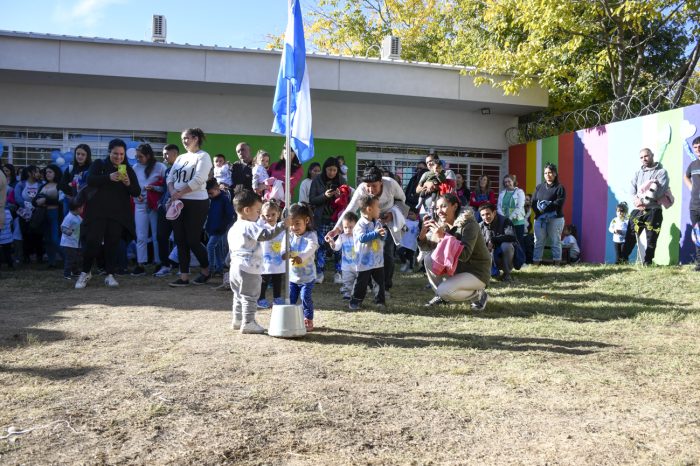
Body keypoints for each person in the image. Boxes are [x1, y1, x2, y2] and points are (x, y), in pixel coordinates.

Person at [326, 162, 408, 291]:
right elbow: (351, 209)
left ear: (381, 182)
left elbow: (402, 200)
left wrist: (392, 214)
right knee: (367, 252)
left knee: (386, 252)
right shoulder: (362, 189)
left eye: (374, 186)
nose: (370, 189)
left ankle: (384, 286)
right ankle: (369, 284)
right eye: (368, 186)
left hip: (388, 219)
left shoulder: (390, 184)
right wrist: (336, 229)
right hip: (369, 221)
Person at [75, 138, 140, 289]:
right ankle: (85, 273)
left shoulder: (127, 169)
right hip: (97, 212)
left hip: (117, 214)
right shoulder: (99, 164)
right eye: (115, 153)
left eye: (122, 154)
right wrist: (108, 177)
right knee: (92, 242)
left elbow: (136, 192)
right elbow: (90, 180)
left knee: (112, 244)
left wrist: (128, 183)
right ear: (109, 152)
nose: (118, 157)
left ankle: (110, 274)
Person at [227, 187, 288, 334]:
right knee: (250, 296)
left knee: (238, 295)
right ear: (247, 210)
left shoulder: (234, 227)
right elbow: (265, 235)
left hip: (235, 267)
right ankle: (248, 323)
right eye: (257, 211)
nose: (259, 215)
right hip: (249, 267)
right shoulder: (249, 225)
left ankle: (237, 319)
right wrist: (282, 225)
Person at [419, 193, 491, 309]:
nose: (439, 211)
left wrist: (444, 236)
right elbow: (428, 247)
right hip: (457, 269)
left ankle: (478, 294)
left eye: (443, 206)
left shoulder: (469, 224)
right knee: (429, 258)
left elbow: (465, 255)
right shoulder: (443, 225)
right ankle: (441, 296)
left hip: (476, 272)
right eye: (437, 208)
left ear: (455, 206)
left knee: (444, 291)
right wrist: (422, 234)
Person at [167, 128, 213, 287]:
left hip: (197, 202)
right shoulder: (181, 157)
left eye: (187, 138)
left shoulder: (204, 156)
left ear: (196, 138)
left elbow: (199, 179)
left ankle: (207, 270)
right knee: (180, 240)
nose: (184, 141)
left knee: (192, 240)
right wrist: (173, 192)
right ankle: (184, 276)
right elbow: (170, 177)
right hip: (178, 201)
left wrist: (179, 193)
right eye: (182, 139)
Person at [620, 148, 670, 266]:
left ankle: (648, 262)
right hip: (638, 211)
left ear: (652, 155)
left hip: (654, 211)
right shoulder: (638, 173)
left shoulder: (661, 172)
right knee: (630, 236)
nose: (644, 159)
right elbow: (632, 189)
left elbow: (660, 192)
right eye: (641, 157)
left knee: (651, 238)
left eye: (646, 156)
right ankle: (622, 260)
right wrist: (636, 200)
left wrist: (643, 201)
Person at [132, 143, 167, 276]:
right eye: (136, 156)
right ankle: (140, 264)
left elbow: (166, 187)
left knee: (156, 235)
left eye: (140, 156)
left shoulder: (160, 167)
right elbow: (132, 186)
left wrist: (155, 189)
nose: (138, 159)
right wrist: (136, 194)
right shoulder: (135, 167)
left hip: (155, 206)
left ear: (148, 155)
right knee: (140, 236)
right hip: (140, 205)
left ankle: (158, 263)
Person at [309, 156, 346, 284]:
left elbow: (347, 199)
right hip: (322, 219)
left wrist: (340, 196)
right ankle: (320, 273)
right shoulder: (317, 180)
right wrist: (324, 196)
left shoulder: (342, 180)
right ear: (325, 169)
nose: (332, 173)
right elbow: (312, 200)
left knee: (338, 247)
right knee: (321, 246)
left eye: (334, 170)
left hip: (337, 219)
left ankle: (338, 273)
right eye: (329, 170)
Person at [284, 203, 319, 331]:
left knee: (305, 297)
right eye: (291, 224)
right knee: (291, 298)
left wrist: (301, 256)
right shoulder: (290, 235)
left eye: (297, 223)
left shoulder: (311, 236)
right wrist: (284, 252)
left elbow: (311, 248)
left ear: (307, 221)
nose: (294, 227)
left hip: (307, 277)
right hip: (293, 277)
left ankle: (308, 319)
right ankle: (292, 318)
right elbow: (285, 246)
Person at [349, 195, 387, 310]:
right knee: (362, 282)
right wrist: (375, 233)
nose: (380, 209)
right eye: (378, 207)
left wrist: (383, 235)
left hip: (377, 260)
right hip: (364, 260)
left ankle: (380, 301)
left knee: (379, 282)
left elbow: (383, 236)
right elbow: (362, 238)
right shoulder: (360, 224)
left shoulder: (378, 223)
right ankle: (355, 301)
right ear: (369, 209)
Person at [531, 163, 566, 265]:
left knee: (555, 241)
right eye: (545, 173)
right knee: (538, 241)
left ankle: (556, 265)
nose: (547, 175)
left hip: (555, 218)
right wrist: (538, 211)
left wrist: (545, 207)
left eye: (550, 172)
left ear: (554, 173)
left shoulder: (559, 187)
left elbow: (559, 203)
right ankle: (536, 264)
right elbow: (533, 201)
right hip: (539, 218)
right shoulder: (539, 187)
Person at [154, 144, 179, 277]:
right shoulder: (168, 170)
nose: (164, 157)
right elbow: (165, 189)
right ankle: (165, 265)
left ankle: (182, 266)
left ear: (175, 154)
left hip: (178, 208)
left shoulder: (184, 169)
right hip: (164, 208)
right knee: (161, 236)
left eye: (166, 154)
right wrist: (160, 202)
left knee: (180, 238)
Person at [257, 199, 285, 308]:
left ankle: (277, 297)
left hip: (278, 259)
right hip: (266, 259)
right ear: (263, 216)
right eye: (267, 215)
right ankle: (261, 298)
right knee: (264, 280)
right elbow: (257, 227)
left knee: (278, 278)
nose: (270, 217)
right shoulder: (263, 227)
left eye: (273, 214)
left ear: (278, 214)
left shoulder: (282, 228)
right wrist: (261, 219)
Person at [34, 164, 63, 268]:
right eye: (46, 172)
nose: (47, 174)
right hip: (43, 215)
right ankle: (51, 262)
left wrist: (46, 200)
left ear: (56, 173)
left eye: (50, 172)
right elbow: (34, 200)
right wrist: (37, 202)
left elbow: (61, 201)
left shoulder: (60, 185)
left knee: (55, 239)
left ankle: (68, 260)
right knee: (47, 239)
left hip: (55, 214)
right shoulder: (43, 185)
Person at [479, 202, 517, 282]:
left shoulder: (505, 221)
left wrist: (493, 240)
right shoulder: (480, 226)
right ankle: (488, 272)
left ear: (494, 212)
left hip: (504, 256)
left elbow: (512, 237)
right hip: (488, 256)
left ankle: (507, 273)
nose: (485, 217)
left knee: (507, 246)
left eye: (488, 214)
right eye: (482, 215)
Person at [13, 165, 43, 263]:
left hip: (37, 213)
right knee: (25, 234)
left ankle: (39, 256)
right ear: (29, 173)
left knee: (38, 234)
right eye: (36, 171)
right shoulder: (21, 184)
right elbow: (17, 197)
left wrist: (35, 205)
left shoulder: (41, 184)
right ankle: (26, 256)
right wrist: (26, 205)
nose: (38, 174)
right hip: (24, 213)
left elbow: (42, 196)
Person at [205, 178, 234, 277]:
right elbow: (210, 215)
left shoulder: (224, 199)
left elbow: (230, 215)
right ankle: (219, 268)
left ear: (217, 189)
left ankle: (211, 268)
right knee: (217, 248)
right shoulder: (212, 200)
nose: (210, 196)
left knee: (210, 246)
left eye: (211, 193)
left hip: (219, 229)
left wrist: (223, 226)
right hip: (212, 228)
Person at [328, 211, 358, 300]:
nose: (348, 230)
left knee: (359, 281)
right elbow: (336, 247)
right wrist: (332, 243)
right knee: (347, 281)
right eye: (345, 227)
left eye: (351, 227)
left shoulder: (359, 237)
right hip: (346, 267)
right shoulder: (342, 237)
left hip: (358, 266)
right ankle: (347, 293)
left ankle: (357, 293)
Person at [59, 144, 92, 212]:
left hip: (84, 202)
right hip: (69, 201)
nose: (80, 156)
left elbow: (91, 186)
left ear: (87, 156)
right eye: (78, 154)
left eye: (83, 154)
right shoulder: (70, 168)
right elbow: (61, 185)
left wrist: (73, 186)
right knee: (68, 222)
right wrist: (72, 192)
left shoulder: (91, 169)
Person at [683, 136, 700, 271]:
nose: (698, 149)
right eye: (695, 147)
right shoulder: (693, 164)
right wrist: (691, 187)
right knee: (698, 235)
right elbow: (685, 176)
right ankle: (699, 264)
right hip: (694, 207)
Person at [497, 174, 526, 248]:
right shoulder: (502, 193)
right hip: (505, 222)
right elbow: (499, 207)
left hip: (517, 222)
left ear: (513, 181)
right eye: (505, 182)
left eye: (509, 181)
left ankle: (520, 259)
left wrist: (510, 218)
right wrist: (503, 219)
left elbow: (519, 207)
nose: (507, 183)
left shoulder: (520, 192)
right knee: (507, 242)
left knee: (518, 242)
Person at [60, 198, 83, 280]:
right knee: (70, 259)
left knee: (76, 258)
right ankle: (67, 274)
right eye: (82, 208)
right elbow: (63, 227)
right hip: (68, 243)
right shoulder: (69, 217)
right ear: (78, 208)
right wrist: (68, 231)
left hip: (76, 242)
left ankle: (75, 271)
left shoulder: (77, 217)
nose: (83, 209)